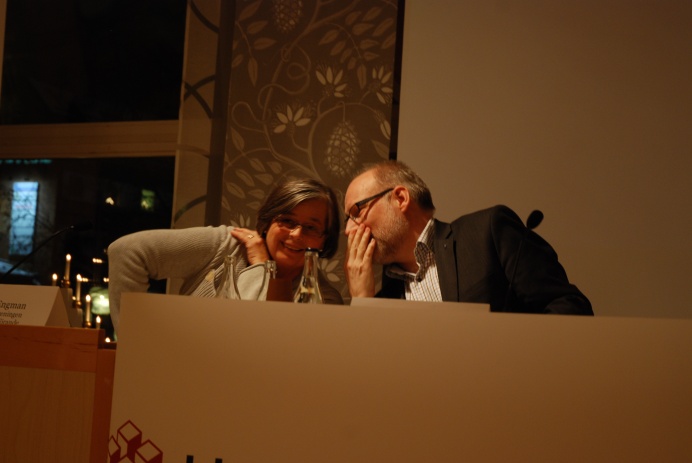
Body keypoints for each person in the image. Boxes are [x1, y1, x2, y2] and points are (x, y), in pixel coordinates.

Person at [343, 160, 593, 315]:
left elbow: (569, 306)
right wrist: (363, 303)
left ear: (400, 198)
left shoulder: (487, 233)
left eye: (356, 212)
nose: (349, 230)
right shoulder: (385, 299)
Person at [107, 178, 344, 333]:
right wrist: (134, 344)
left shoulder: (324, 300)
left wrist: (262, 266)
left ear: (325, 239)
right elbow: (127, 252)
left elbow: (259, 342)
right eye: (287, 221)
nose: (296, 234)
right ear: (268, 222)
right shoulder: (225, 245)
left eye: (311, 227)